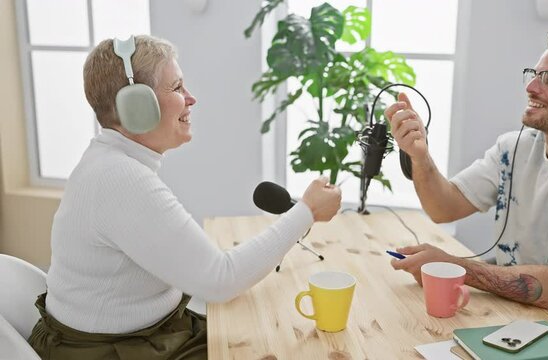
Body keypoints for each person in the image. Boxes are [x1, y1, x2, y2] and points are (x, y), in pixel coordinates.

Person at [27, 35, 342, 360]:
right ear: (137, 106)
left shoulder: (112, 162)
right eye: (177, 88)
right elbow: (220, 281)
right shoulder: (120, 178)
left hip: (146, 333)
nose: (191, 99)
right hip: (110, 351)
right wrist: (307, 211)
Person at [385, 27, 548, 358]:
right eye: (534, 75)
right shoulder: (515, 147)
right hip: (522, 316)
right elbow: (443, 207)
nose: (531, 87)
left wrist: (457, 268)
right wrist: (420, 156)